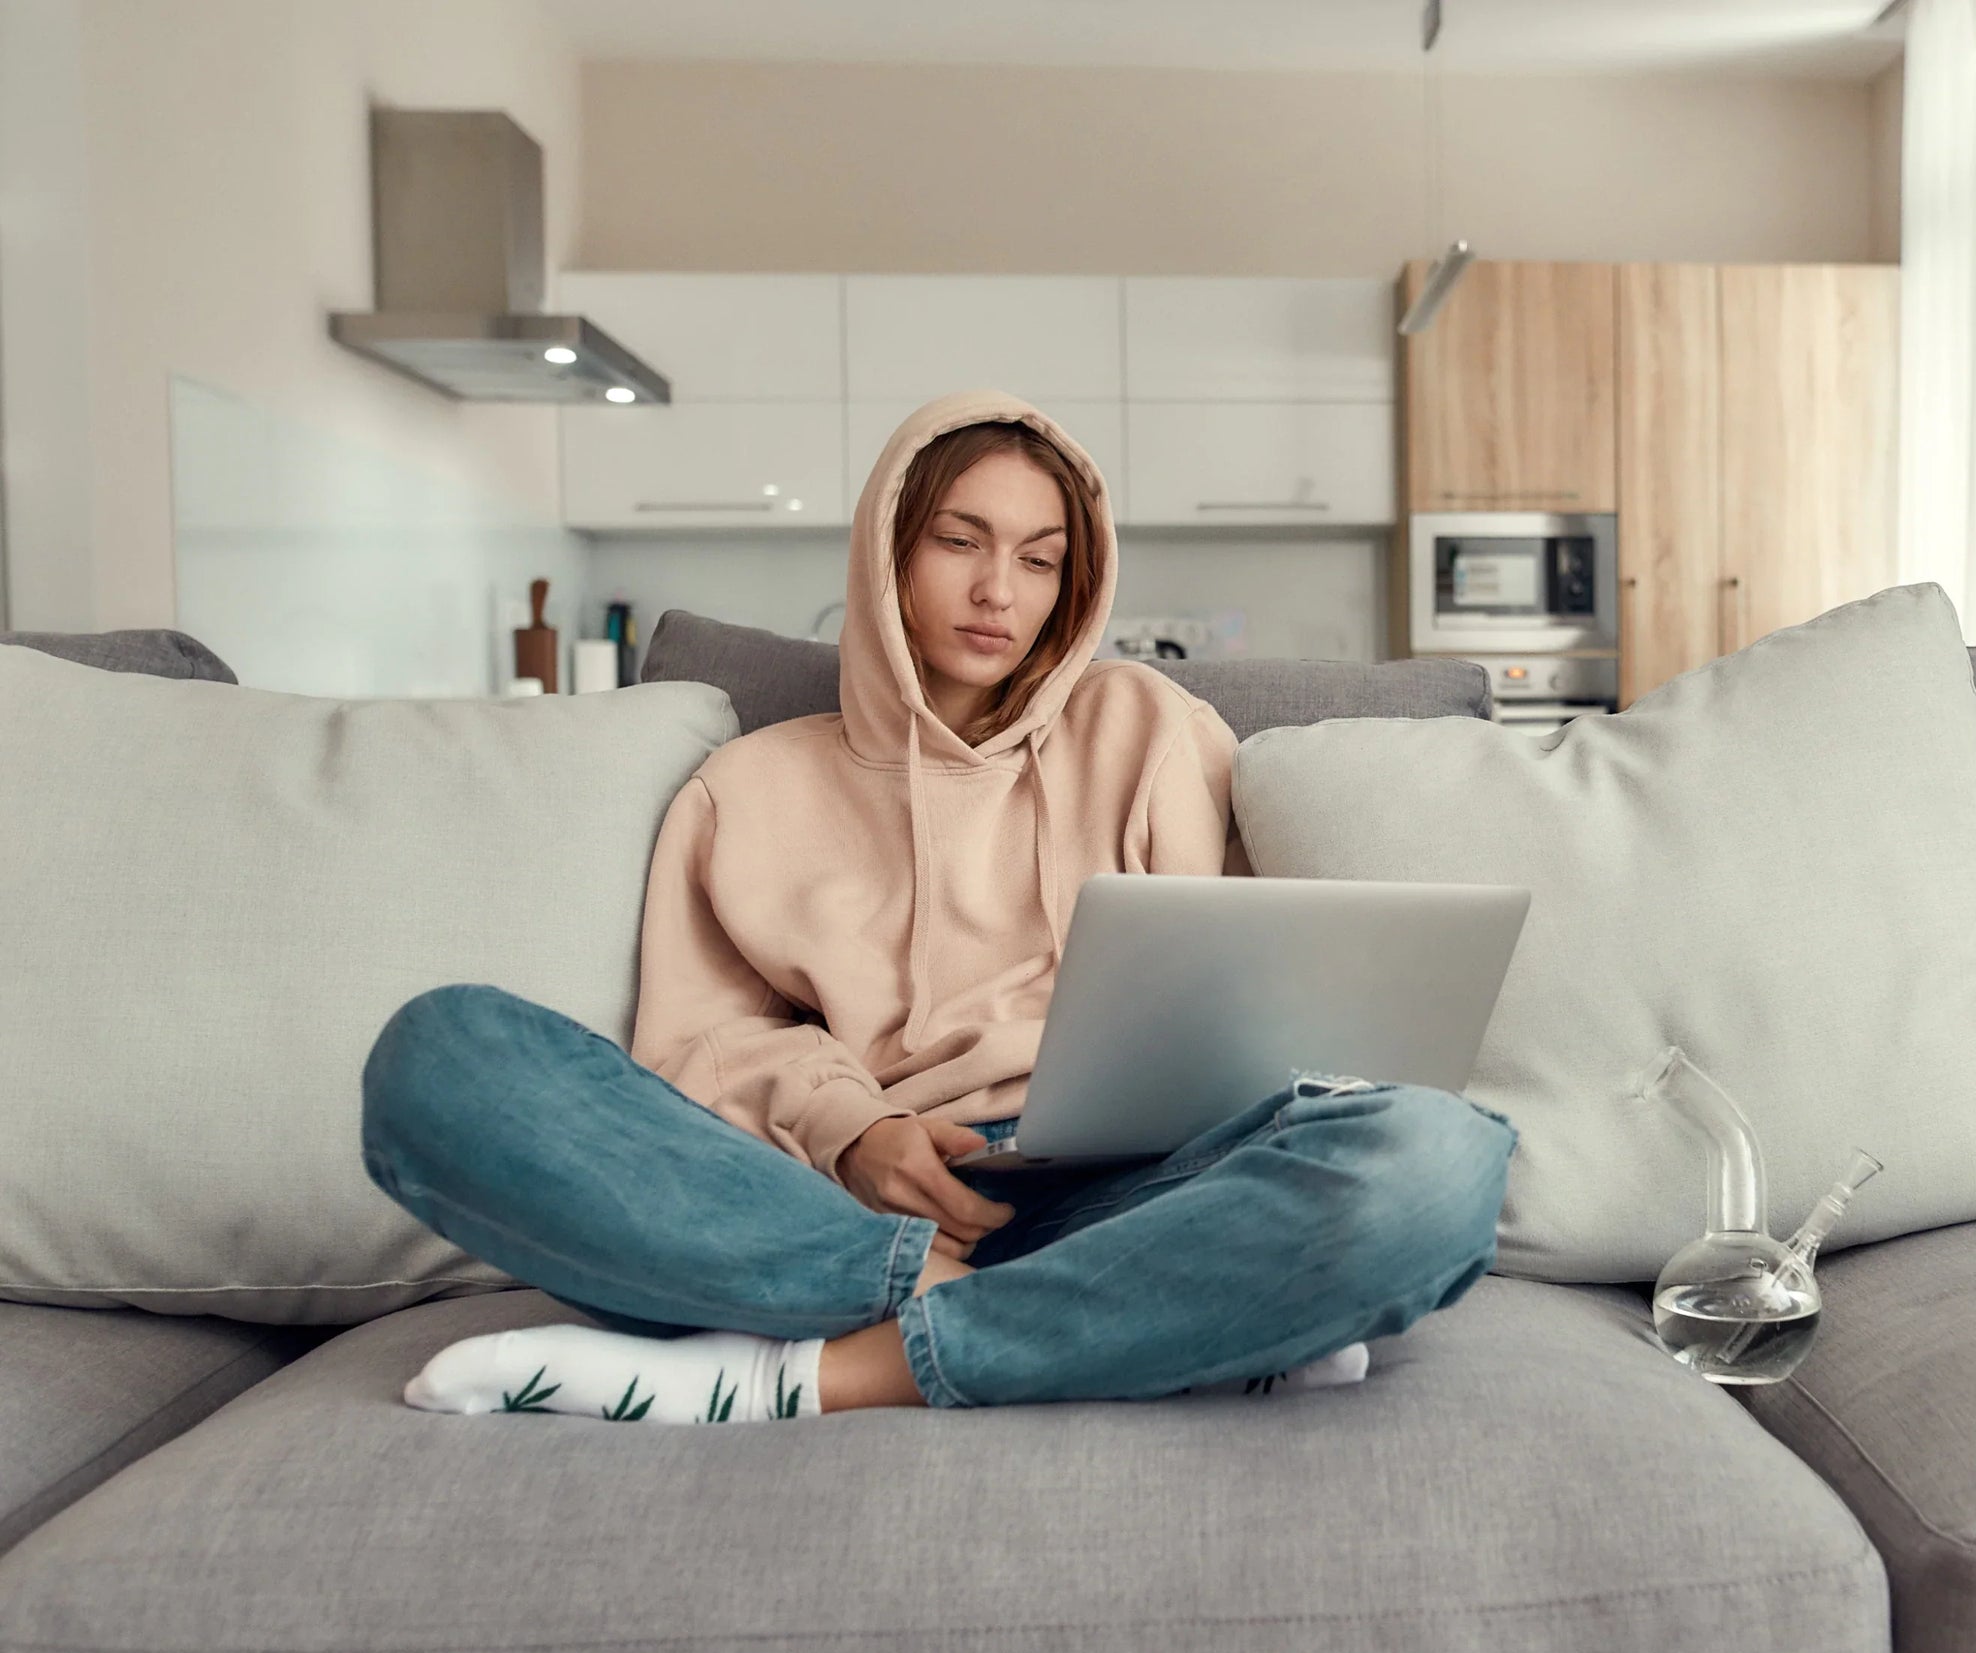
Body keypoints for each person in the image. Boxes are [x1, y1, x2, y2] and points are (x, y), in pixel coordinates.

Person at [358, 391, 1518, 1423]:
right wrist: (854, 1133)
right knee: (442, 1055)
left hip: (1140, 1192)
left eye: (1040, 558)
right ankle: (1169, 1322)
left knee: (1437, 1156)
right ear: (885, 553)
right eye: (959, 540)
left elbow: (1254, 996)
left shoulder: (1151, 729)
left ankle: (809, 1377)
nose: (995, 591)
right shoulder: (745, 788)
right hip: (851, 1220)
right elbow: (701, 1052)